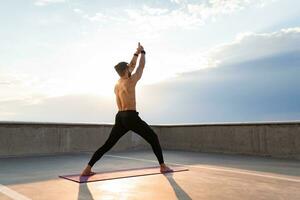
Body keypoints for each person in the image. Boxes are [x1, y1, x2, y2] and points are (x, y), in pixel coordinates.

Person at [81, 42, 173, 176]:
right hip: (131, 117)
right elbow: (140, 66)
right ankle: (163, 166)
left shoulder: (117, 84)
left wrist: (136, 52)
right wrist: (143, 53)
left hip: (120, 117)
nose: (131, 68)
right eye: (128, 68)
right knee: (153, 137)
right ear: (125, 71)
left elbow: (132, 65)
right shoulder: (131, 81)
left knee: (108, 144)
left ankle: (87, 169)